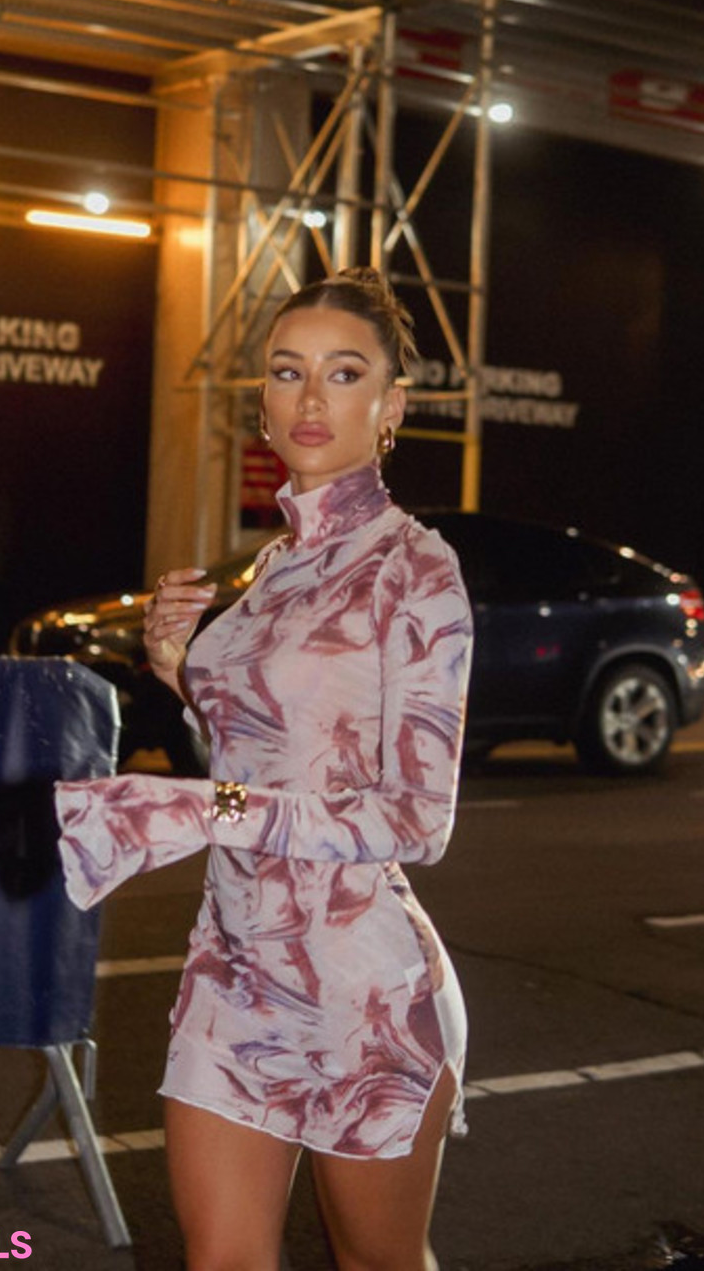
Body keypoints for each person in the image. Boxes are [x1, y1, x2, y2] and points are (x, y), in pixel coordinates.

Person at [55, 267, 474, 1271]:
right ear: (263, 402)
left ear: (392, 407)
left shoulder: (417, 570)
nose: (311, 397)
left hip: (362, 991)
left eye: (344, 373)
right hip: (234, 971)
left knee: (377, 1263)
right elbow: (278, 756)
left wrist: (212, 806)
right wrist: (183, 673)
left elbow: (418, 819)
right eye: (288, 372)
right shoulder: (274, 565)